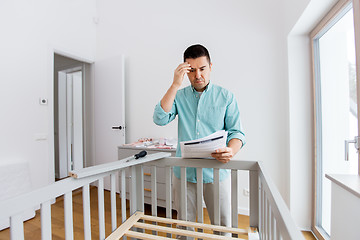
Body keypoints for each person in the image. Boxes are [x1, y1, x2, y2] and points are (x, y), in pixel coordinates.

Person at [153, 44, 246, 237]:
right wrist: (175, 84)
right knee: (184, 227)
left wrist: (231, 150)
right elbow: (160, 118)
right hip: (185, 173)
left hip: (216, 172)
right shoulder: (179, 95)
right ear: (185, 71)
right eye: (192, 70)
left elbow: (237, 133)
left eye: (202, 69)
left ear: (210, 66)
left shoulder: (226, 96)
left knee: (222, 226)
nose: (197, 76)